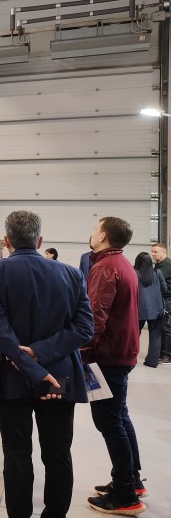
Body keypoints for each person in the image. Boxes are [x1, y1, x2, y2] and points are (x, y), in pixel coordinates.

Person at [0, 211, 94, 518]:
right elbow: (85, 328)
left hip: (11, 375)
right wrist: (42, 356)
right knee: (58, 453)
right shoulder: (72, 274)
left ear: (6, 240)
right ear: (40, 240)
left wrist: (31, 364)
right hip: (60, 376)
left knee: (17, 454)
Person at [84, 217, 147, 515]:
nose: (92, 233)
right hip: (121, 353)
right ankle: (131, 481)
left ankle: (125, 496)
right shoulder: (121, 263)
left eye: (95, 228)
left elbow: (95, 318)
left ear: (103, 235)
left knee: (110, 422)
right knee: (119, 417)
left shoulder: (106, 268)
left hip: (107, 357)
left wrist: (81, 354)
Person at [134, 252, 166, 368]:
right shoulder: (158, 273)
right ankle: (152, 361)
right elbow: (164, 288)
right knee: (155, 335)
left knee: (134, 334)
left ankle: (131, 358)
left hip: (138, 309)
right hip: (156, 309)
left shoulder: (134, 274)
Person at [149, 242, 171, 364]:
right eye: (152, 252)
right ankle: (163, 353)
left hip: (168, 300)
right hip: (163, 299)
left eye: (155, 252)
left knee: (166, 328)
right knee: (163, 327)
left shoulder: (166, 265)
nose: (153, 254)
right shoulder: (159, 264)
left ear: (164, 252)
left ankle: (168, 355)